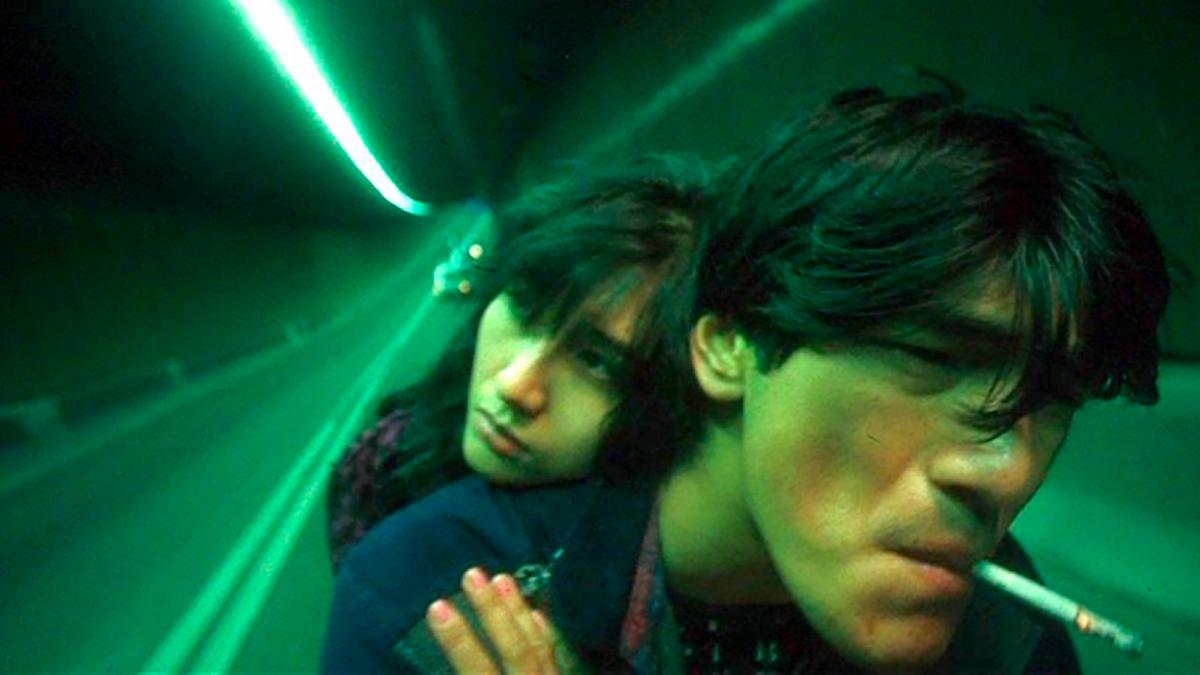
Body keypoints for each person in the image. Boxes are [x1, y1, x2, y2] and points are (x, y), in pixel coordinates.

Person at [322, 86, 1171, 674]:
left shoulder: (1014, 645)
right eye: (931, 357)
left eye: (1051, 403)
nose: (1006, 474)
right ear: (727, 344)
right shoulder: (443, 607)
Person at [326, 155, 717, 569]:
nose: (514, 386)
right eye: (525, 307)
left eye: (595, 360)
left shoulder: (657, 566)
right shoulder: (378, 469)